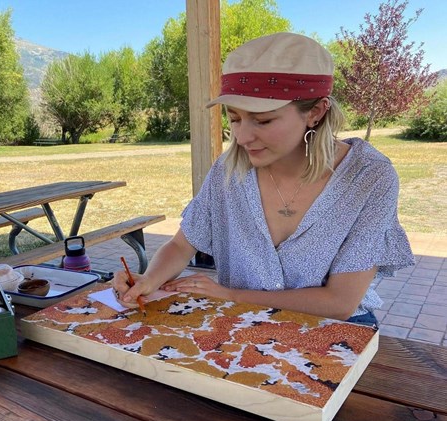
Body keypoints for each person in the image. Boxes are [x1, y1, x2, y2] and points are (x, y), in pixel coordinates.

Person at [113, 32, 414, 324]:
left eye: (263, 120)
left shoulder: (369, 177)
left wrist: (232, 296)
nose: (242, 137)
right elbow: (181, 246)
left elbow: (339, 303)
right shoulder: (228, 170)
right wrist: (149, 279)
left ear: (316, 112)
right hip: (240, 323)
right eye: (234, 118)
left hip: (333, 331)